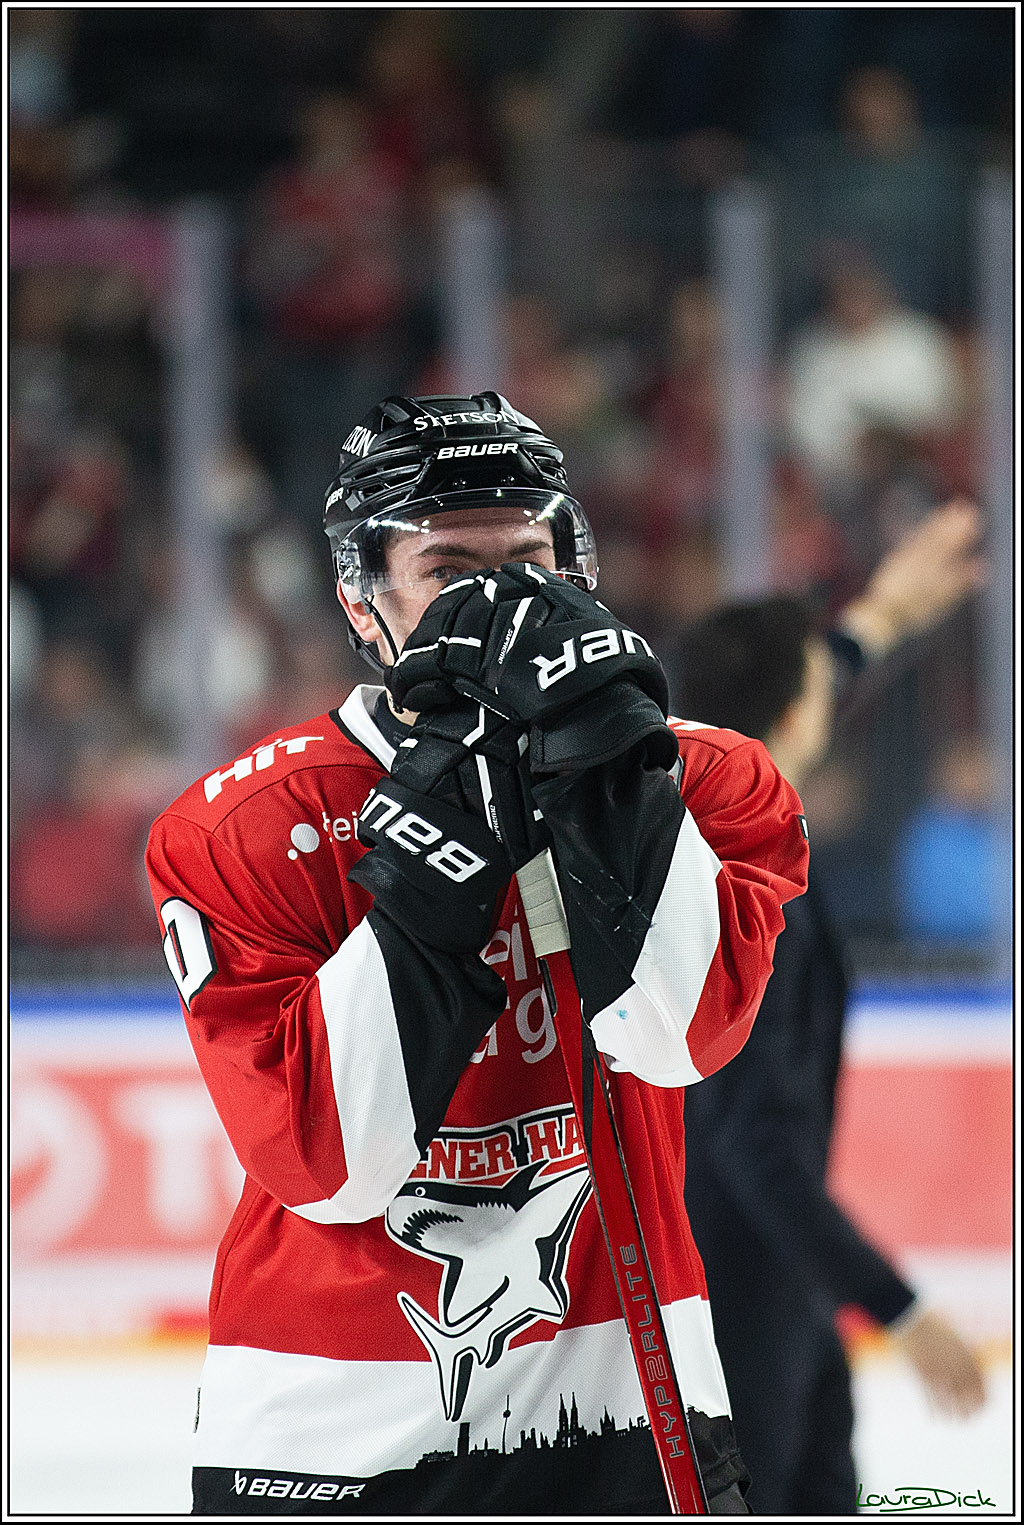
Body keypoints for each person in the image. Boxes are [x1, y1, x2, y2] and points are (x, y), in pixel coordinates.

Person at [145, 392, 808, 1515]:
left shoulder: (709, 780)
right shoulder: (248, 826)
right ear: (362, 601)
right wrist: (435, 837)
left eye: (533, 564)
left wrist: (613, 780)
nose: (504, 604)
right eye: (449, 570)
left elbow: (679, 1033)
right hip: (332, 1428)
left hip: (631, 1411)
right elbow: (332, 1163)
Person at [673, 499, 988, 1516]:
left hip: (771, 1302)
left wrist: (886, 616)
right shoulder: (747, 898)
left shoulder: (705, 819)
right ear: (795, 712)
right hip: (731, 1312)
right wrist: (899, 1308)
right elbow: (753, 1142)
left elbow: (793, 692)